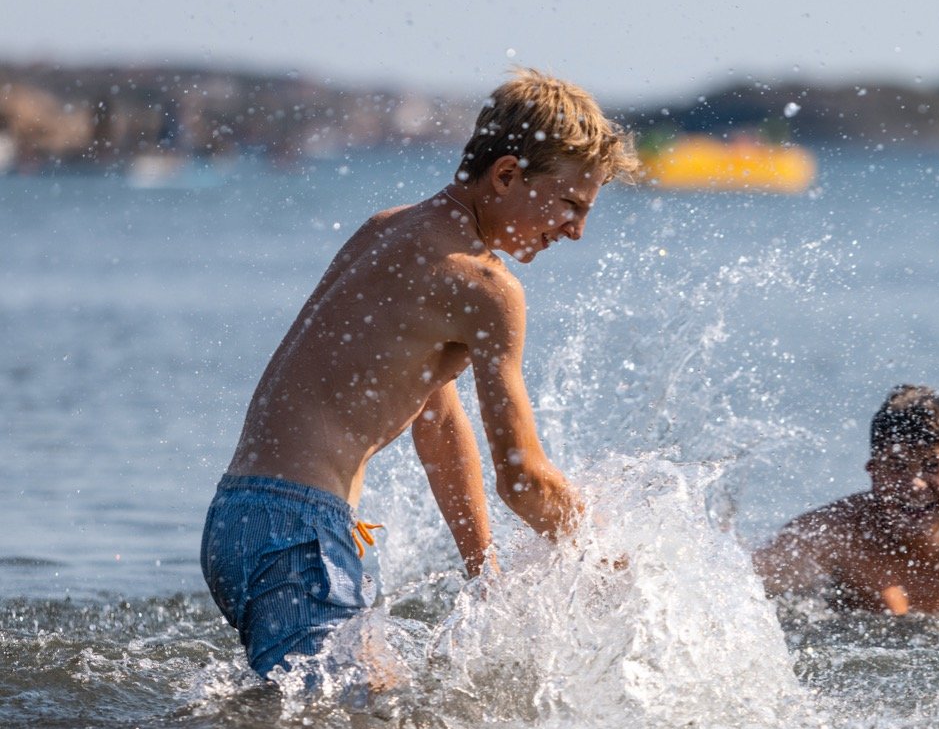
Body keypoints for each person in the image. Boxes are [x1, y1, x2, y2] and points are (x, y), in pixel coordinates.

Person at [201, 68, 640, 683]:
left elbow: (435, 418)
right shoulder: (486, 288)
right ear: (507, 174)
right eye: (570, 204)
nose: (576, 230)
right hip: (302, 537)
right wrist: (613, 559)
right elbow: (524, 479)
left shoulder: (388, 229)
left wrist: (481, 565)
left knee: (374, 701)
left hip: (240, 518)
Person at [753, 385, 939, 614]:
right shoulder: (831, 535)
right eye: (897, 466)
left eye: (933, 465)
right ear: (873, 472)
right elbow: (738, 590)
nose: (913, 484)